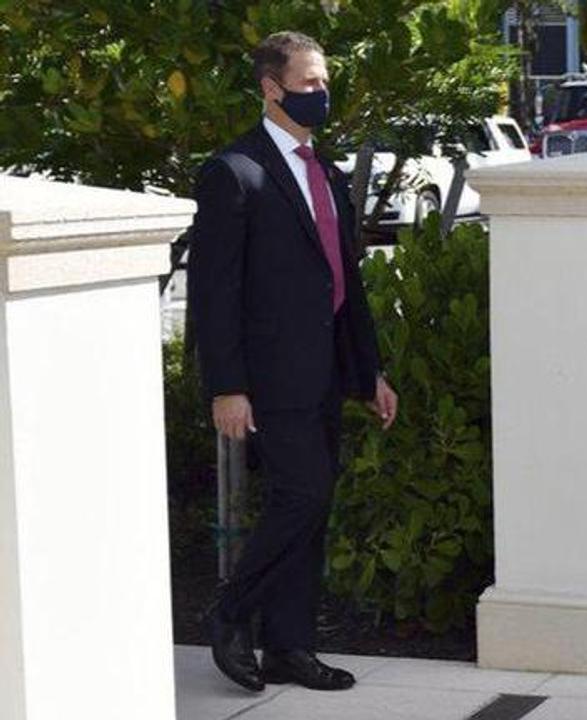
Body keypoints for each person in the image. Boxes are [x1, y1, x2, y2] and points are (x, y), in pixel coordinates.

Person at [189, 31, 398, 692]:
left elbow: (346, 283)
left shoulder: (325, 172)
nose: (321, 94)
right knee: (300, 494)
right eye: (308, 84)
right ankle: (229, 614)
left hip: (327, 372)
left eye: (324, 81)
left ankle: (289, 648)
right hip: (268, 378)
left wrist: (368, 373)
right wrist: (227, 385)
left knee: (311, 508)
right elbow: (213, 291)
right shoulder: (233, 171)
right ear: (271, 88)